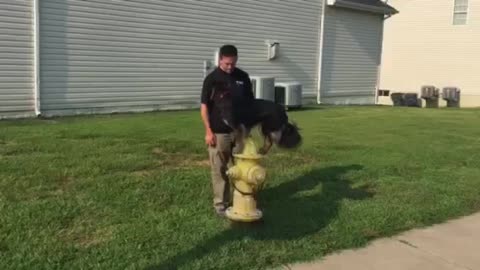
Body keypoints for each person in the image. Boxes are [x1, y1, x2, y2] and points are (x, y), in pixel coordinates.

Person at [200, 45, 254, 216]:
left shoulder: (243, 77)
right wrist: (208, 131)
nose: (230, 67)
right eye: (226, 64)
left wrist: (248, 128)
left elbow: (249, 104)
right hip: (219, 133)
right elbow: (204, 107)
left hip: (240, 132)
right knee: (220, 169)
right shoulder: (211, 79)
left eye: (233, 63)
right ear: (220, 60)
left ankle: (243, 198)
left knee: (243, 167)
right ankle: (221, 204)